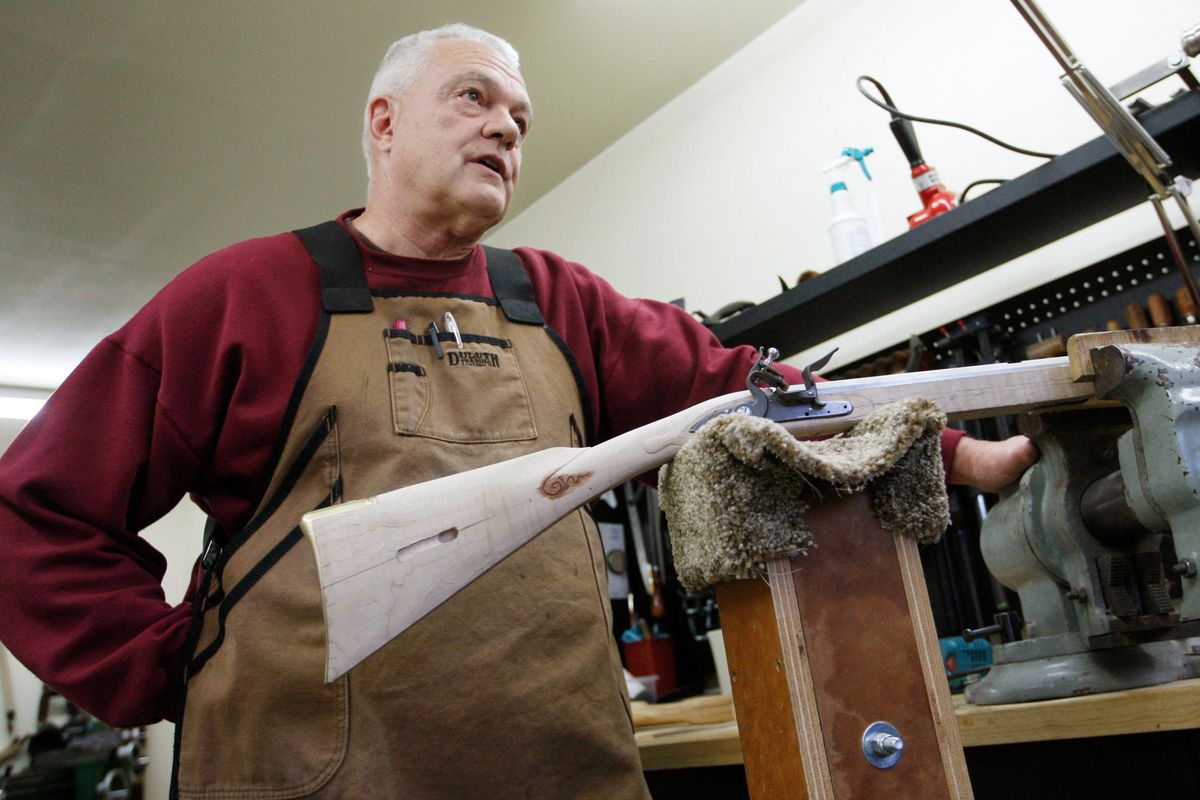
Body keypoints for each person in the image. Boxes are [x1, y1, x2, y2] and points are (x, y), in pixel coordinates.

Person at [0, 24, 1034, 799]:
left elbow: (751, 389)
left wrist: (944, 448)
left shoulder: (555, 299)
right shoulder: (245, 295)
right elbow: (31, 514)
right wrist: (167, 666)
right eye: (474, 97)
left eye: (520, 120)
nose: (506, 125)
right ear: (384, 120)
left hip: (562, 767)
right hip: (304, 772)